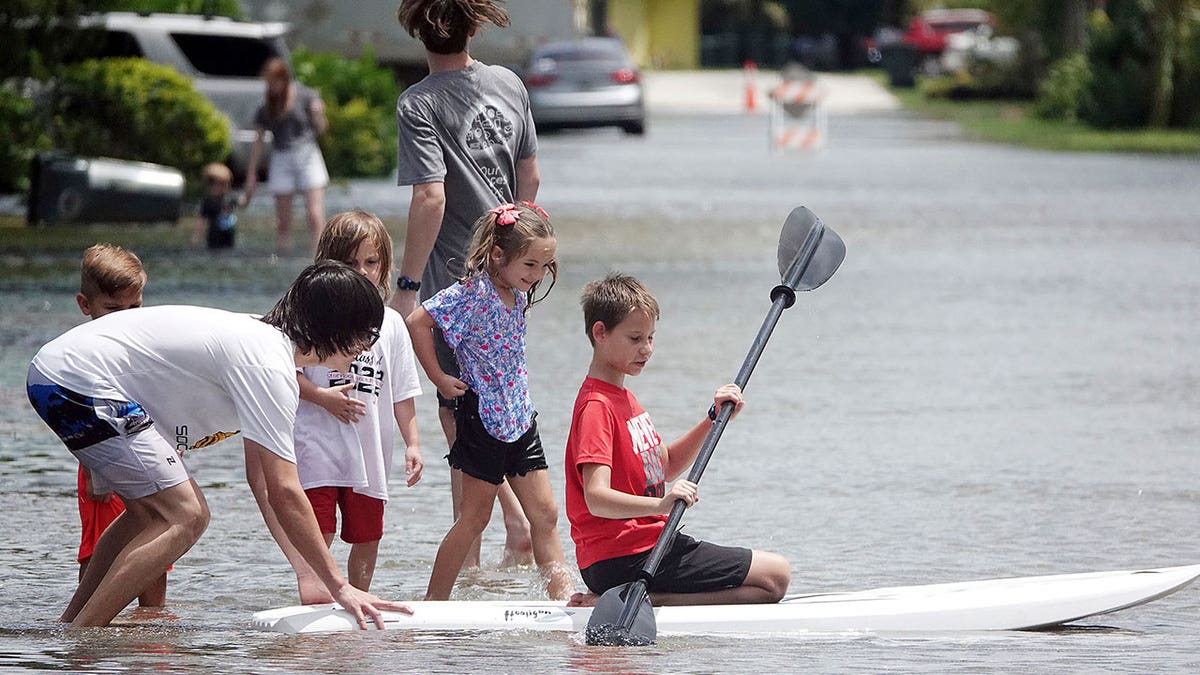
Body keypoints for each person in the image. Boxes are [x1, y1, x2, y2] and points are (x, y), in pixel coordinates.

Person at [26, 261, 411, 628]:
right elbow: (285, 489)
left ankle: (70, 627)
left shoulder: (263, 349)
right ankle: (85, 637)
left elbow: (267, 483)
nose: (367, 346)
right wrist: (338, 585)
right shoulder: (267, 364)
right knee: (187, 514)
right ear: (335, 328)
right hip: (73, 380)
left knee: (150, 514)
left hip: (57, 373)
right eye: (367, 334)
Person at [392, 0, 542, 569]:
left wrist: (406, 288)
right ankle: (516, 524)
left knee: (457, 404)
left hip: (456, 283)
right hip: (513, 275)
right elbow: (529, 176)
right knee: (498, 396)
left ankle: (476, 560)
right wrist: (521, 258)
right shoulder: (508, 83)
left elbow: (430, 196)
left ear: (415, 31)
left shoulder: (418, 103)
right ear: (475, 24)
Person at [564, 273, 792, 607]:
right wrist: (660, 505)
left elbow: (665, 465)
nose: (647, 349)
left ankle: (632, 597)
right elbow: (596, 497)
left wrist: (713, 419)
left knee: (774, 578)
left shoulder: (624, 399)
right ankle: (636, 599)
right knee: (776, 577)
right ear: (600, 333)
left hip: (648, 547)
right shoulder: (596, 406)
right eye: (635, 338)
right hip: (623, 557)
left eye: (651, 337)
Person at [406, 202, 573, 601]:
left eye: (544, 267)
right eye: (530, 265)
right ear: (498, 255)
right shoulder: (473, 292)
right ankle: (434, 603)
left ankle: (564, 602)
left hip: (520, 419)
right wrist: (439, 378)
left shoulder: (516, 292)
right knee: (474, 519)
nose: (536, 276)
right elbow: (417, 321)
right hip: (482, 421)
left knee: (546, 514)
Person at [288, 210, 424, 603]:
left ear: (383, 266)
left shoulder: (392, 323)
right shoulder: (307, 314)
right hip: (317, 446)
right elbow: (281, 372)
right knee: (319, 530)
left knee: (367, 535)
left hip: (370, 452)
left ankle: (360, 596)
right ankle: (314, 599)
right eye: (350, 263)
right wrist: (321, 397)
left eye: (370, 262)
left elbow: (403, 390)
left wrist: (413, 443)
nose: (362, 272)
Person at [73, 244, 168, 609]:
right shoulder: (81, 349)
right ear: (86, 305)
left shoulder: (145, 343)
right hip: (100, 457)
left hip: (149, 450)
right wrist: (97, 473)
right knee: (97, 547)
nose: (125, 317)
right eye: (112, 309)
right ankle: (85, 616)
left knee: (158, 534)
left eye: (134, 307)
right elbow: (78, 414)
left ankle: (152, 619)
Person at [240, 57, 329, 254]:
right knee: (283, 221)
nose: (272, 87)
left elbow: (321, 129)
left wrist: (318, 114)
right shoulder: (266, 106)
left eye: (274, 81)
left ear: (284, 79)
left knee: (314, 215)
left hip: (307, 153)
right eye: (269, 82)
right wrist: (251, 174)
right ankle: (282, 256)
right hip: (282, 155)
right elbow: (259, 140)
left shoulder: (305, 95)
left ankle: (321, 257)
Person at [192, 163, 238, 249]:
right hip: (214, 235)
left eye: (221, 184)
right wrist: (196, 236)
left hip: (229, 234)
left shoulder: (230, 199)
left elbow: (242, 203)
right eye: (212, 184)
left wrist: (248, 194)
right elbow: (201, 219)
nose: (216, 187)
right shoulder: (208, 202)